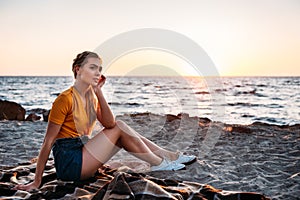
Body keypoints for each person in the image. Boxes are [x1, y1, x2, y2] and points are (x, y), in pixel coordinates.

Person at [15, 51, 196, 191]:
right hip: (70, 162)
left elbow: (109, 124)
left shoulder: (92, 97)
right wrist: (36, 181)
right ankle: (158, 163)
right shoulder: (65, 99)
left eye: (99, 69)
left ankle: (168, 156)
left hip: (83, 152)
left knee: (120, 127)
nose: (98, 72)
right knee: (120, 127)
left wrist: (99, 92)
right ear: (78, 70)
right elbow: (48, 142)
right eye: (92, 67)